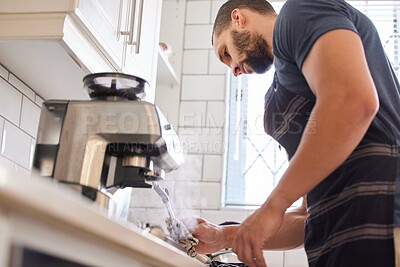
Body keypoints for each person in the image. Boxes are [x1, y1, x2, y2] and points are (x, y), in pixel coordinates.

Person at [184, 0, 400, 266]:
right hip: (338, 245)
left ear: (238, 18)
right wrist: (225, 235)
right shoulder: (282, 95)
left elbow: (353, 101)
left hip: (383, 224)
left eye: (226, 52)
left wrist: (274, 205)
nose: (235, 70)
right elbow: (306, 216)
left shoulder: (299, 11)